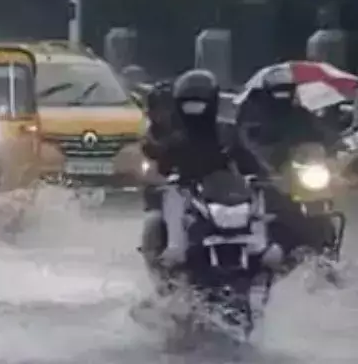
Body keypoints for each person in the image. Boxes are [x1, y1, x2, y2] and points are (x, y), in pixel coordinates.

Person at [141, 69, 270, 268]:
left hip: (224, 193)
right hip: (189, 194)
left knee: (257, 193)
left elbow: (248, 158)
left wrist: (263, 175)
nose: (195, 109)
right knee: (172, 195)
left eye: (199, 102)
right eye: (189, 103)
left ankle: (261, 244)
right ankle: (175, 246)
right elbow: (160, 164)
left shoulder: (226, 132)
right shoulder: (175, 137)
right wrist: (158, 174)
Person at [227, 64, 342, 260]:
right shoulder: (252, 114)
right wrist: (262, 161)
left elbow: (321, 133)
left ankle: (324, 249)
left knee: (320, 206)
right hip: (265, 173)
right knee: (263, 202)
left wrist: (337, 144)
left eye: (287, 90)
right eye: (278, 91)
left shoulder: (300, 114)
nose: (282, 95)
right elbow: (246, 140)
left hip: (297, 173)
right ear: (267, 91)